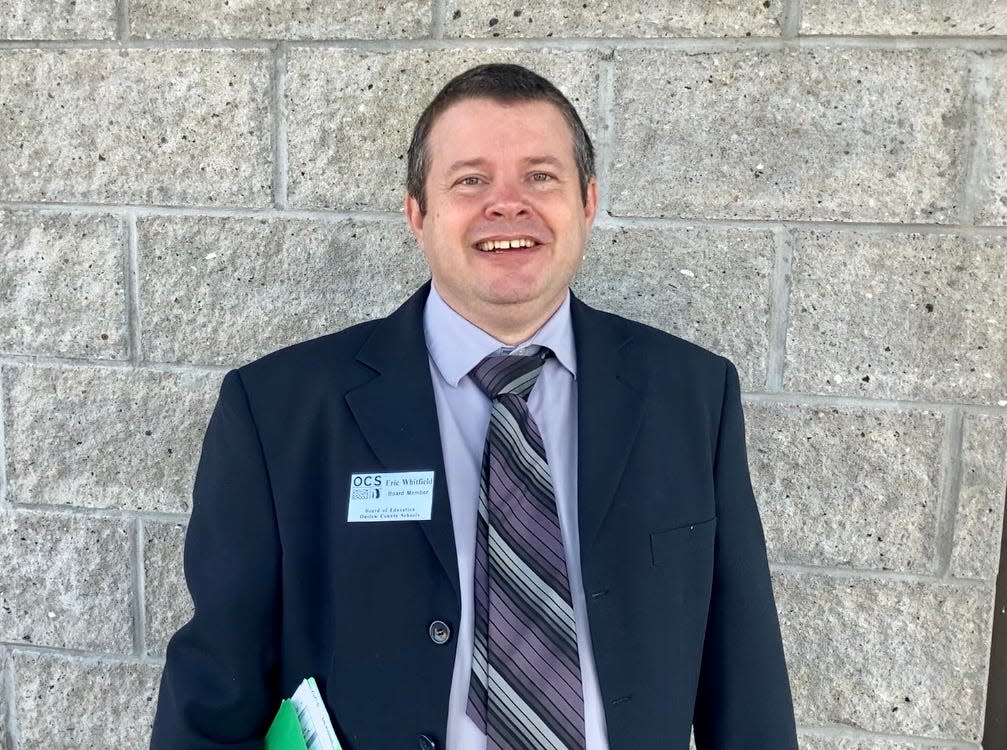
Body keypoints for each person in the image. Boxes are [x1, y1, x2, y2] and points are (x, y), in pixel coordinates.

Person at [151, 63, 798, 750]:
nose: (507, 204)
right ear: (417, 214)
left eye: (539, 176)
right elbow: (216, 685)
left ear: (586, 202)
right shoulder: (278, 410)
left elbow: (744, 673)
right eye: (470, 180)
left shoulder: (691, 394)